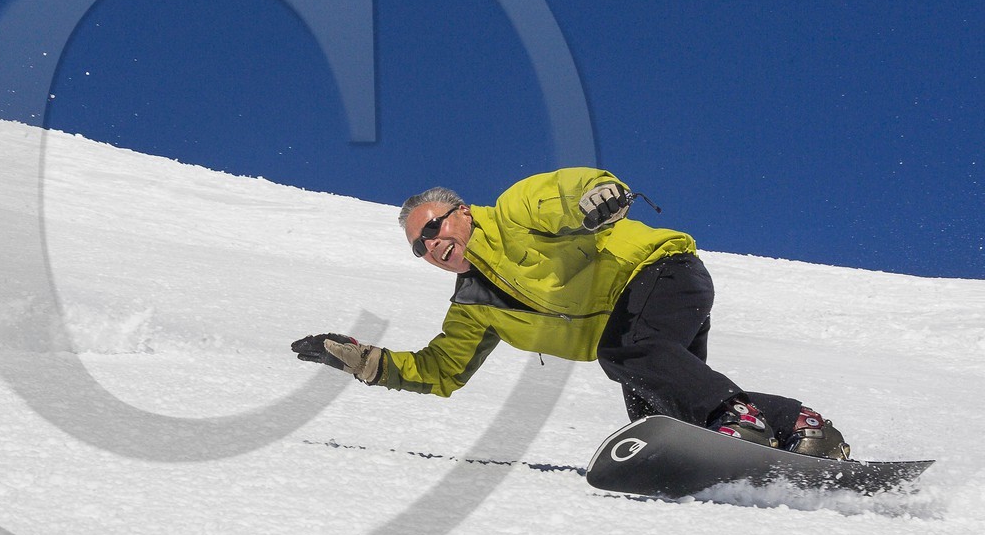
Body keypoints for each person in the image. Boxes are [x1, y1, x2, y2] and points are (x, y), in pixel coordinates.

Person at [292, 167, 849, 458]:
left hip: (658, 272)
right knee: (661, 418)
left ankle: (740, 423)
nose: (433, 244)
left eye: (435, 227)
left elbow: (563, 191)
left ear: (461, 213)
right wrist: (367, 363)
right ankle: (801, 428)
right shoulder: (473, 306)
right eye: (421, 246)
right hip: (633, 322)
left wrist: (596, 198)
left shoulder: (513, 213)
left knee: (629, 352)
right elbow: (441, 371)